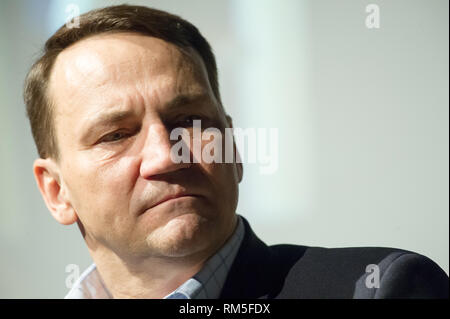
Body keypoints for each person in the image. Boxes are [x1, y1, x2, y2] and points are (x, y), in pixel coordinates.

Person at [24, 4, 448, 299]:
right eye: (116, 135)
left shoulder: (377, 288)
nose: (167, 156)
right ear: (56, 191)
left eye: (190, 121)